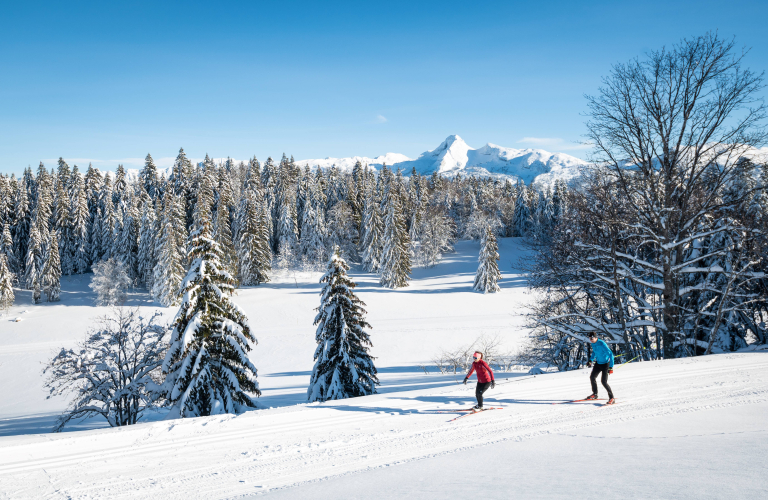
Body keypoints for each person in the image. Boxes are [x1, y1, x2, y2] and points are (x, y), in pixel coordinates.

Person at [586, 333, 615, 404]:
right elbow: (594, 353)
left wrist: (611, 367)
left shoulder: (602, 344)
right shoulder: (593, 344)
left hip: (605, 364)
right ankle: (595, 394)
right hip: (598, 363)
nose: (591, 340)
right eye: (590, 339)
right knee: (592, 377)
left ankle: (612, 398)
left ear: (595, 338)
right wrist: (590, 360)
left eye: (592, 339)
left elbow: (610, 354)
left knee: (604, 382)